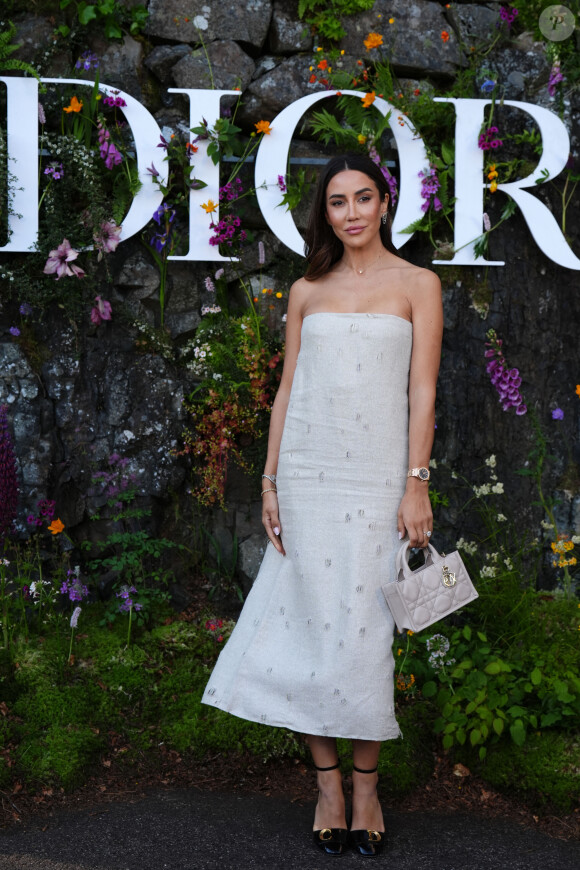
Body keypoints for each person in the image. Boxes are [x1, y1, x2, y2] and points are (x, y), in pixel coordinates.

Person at [202, 152, 443, 856]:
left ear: (385, 204)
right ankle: (328, 782)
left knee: (369, 636)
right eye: (338, 203)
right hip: (308, 479)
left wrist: (417, 481)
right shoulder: (306, 290)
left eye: (364, 197)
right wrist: (271, 482)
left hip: (377, 481)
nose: (353, 213)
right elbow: (285, 393)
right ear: (325, 215)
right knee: (309, 625)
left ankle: (367, 786)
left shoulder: (419, 284)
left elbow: (422, 390)